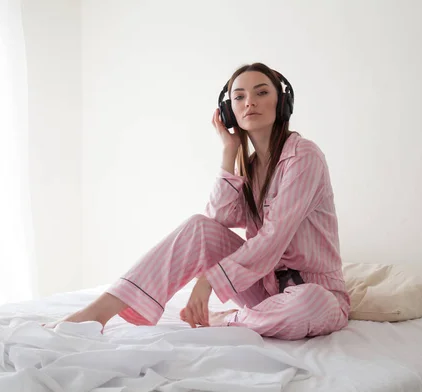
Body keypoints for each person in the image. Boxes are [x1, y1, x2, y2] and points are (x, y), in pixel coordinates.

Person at [45, 62, 350, 340]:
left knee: (308, 302)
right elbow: (217, 219)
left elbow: (273, 240)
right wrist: (229, 151)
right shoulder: (253, 166)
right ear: (230, 111)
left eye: (261, 92)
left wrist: (208, 282)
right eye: (239, 97)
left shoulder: (303, 156)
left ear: (282, 103)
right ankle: (99, 311)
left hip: (318, 295)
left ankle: (233, 320)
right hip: (266, 289)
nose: (250, 102)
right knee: (198, 227)